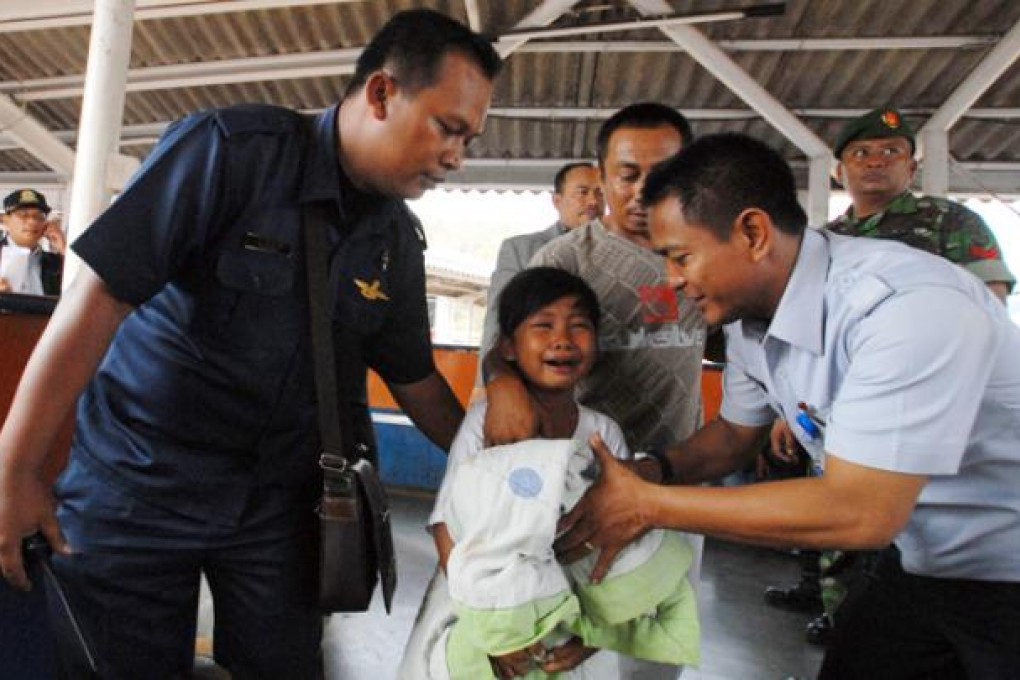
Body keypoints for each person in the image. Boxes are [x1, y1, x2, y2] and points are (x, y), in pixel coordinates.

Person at [0, 9, 500, 679]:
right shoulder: (231, 152)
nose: (456, 159)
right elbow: (98, 298)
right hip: (140, 481)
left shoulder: (394, 241)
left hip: (282, 504)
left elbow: (417, 383)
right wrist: (15, 469)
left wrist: (510, 465)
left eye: (469, 141)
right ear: (382, 93)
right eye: (450, 128)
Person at [556, 132, 1020, 678]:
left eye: (681, 257)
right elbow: (733, 436)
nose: (674, 281)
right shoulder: (751, 323)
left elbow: (861, 510)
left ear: (753, 232)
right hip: (923, 559)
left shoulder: (902, 308)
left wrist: (647, 505)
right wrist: (653, 471)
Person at [763, 106, 1018, 645]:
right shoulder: (821, 240)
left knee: (897, 525)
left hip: (934, 417)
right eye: (860, 153)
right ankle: (839, 612)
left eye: (890, 152)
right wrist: (792, 410)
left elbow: (986, 314)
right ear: (839, 171)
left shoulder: (953, 223)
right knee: (840, 524)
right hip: (839, 415)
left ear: (912, 165)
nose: (874, 162)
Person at [483, 102, 705, 680]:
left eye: (663, 174)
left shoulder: (706, 257)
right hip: (580, 490)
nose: (643, 191)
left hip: (677, 482)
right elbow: (504, 348)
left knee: (651, 656)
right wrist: (503, 385)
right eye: (628, 174)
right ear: (602, 177)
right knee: (562, 649)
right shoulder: (565, 260)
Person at [399, 267, 698, 679]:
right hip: (485, 607)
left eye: (579, 326)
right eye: (543, 326)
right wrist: (495, 624)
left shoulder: (603, 432)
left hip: (572, 610)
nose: (562, 339)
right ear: (508, 347)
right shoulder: (484, 425)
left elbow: (621, 538)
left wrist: (594, 637)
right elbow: (446, 526)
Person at [473, 161, 604, 391]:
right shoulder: (521, 249)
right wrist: (489, 385)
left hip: (601, 384)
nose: (593, 201)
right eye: (582, 192)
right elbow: (497, 318)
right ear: (557, 200)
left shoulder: (621, 255)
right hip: (537, 386)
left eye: (600, 194)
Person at [0, 188, 63, 295]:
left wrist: (63, 248)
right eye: (23, 215)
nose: (33, 221)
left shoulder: (57, 263)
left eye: (40, 216)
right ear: (5, 220)